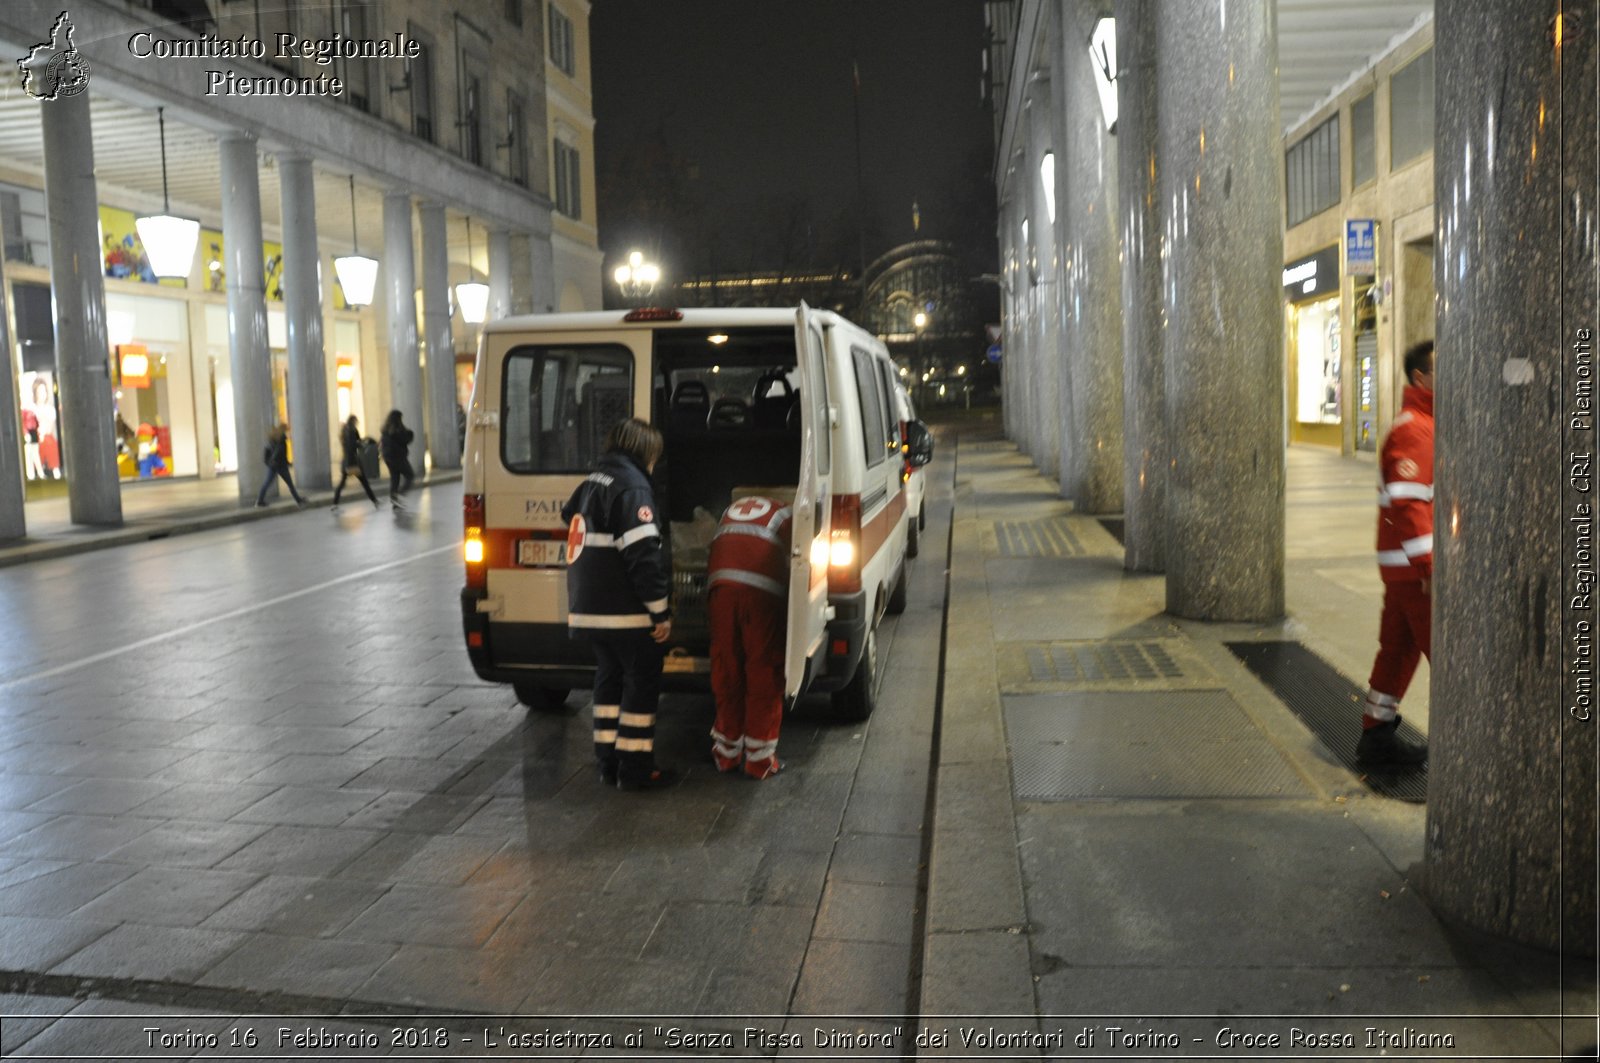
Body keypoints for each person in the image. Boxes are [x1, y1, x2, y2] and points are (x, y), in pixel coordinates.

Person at [561, 417, 675, 791]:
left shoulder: (593, 481)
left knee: (607, 682)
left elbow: (571, 520)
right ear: (646, 453)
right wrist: (660, 612)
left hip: (588, 609)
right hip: (624, 613)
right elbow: (644, 557)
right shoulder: (633, 488)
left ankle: (608, 763)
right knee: (641, 685)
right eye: (654, 456)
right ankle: (636, 770)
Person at [1357, 339, 1435, 768]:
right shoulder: (1415, 428)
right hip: (1415, 571)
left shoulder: (1424, 423)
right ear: (1421, 378)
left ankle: (1376, 734)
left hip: (1404, 569)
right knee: (1451, 657)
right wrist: (1430, 564)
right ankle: (1471, 749)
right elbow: (1409, 502)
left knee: (1398, 651)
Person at [707, 494, 793, 780]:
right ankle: (759, 759)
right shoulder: (786, 513)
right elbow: (800, 559)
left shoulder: (730, 510)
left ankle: (726, 753)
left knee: (726, 667)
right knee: (763, 668)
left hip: (720, 587)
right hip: (761, 593)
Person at [332, 414, 379, 510]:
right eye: (356, 421)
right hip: (353, 462)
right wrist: (361, 444)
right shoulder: (351, 431)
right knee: (364, 482)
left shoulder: (345, 431)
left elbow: (354, 443)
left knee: (342, 483)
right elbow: (353, 445)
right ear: (353, 421)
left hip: (346, 461)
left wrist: (360, 443)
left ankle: (335, 503)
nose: (357, 423)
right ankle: (375, 501)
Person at [255, 423, 307, 507]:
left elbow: (267, 453)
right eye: (287, 430)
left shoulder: (271, 440)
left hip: (273, 466)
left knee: (266, 483)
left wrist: (268, 462)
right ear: (284, 430)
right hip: (281, 466)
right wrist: (287, 462)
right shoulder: (282, 440)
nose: (288, 432)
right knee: (290, 484)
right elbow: (282, 454)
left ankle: (259, 501)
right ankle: (298, 500)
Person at [380, 409, 415, 509]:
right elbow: (404, 439)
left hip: (388, 457)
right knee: (410, 475)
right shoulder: (396, 429)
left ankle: (394, 501)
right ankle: (399, 494)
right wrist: (410, 434)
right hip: (398, 457)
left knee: (395, 478)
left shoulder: (385, 429)